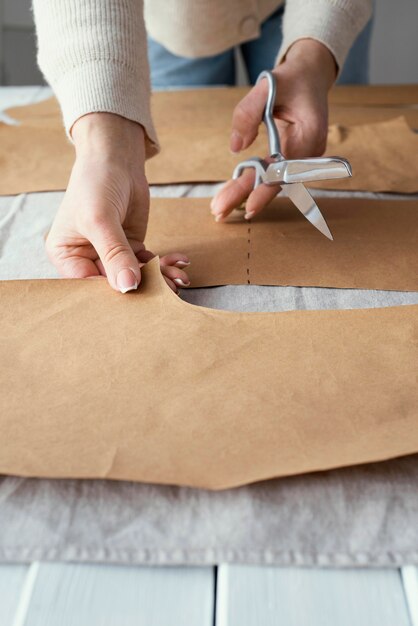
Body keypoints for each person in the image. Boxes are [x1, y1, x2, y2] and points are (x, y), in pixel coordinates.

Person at [33, 0, 373, 294]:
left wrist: (313, 61)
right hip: (178, 17)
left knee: (325, 100)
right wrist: (107, 147)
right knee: (183, 115)